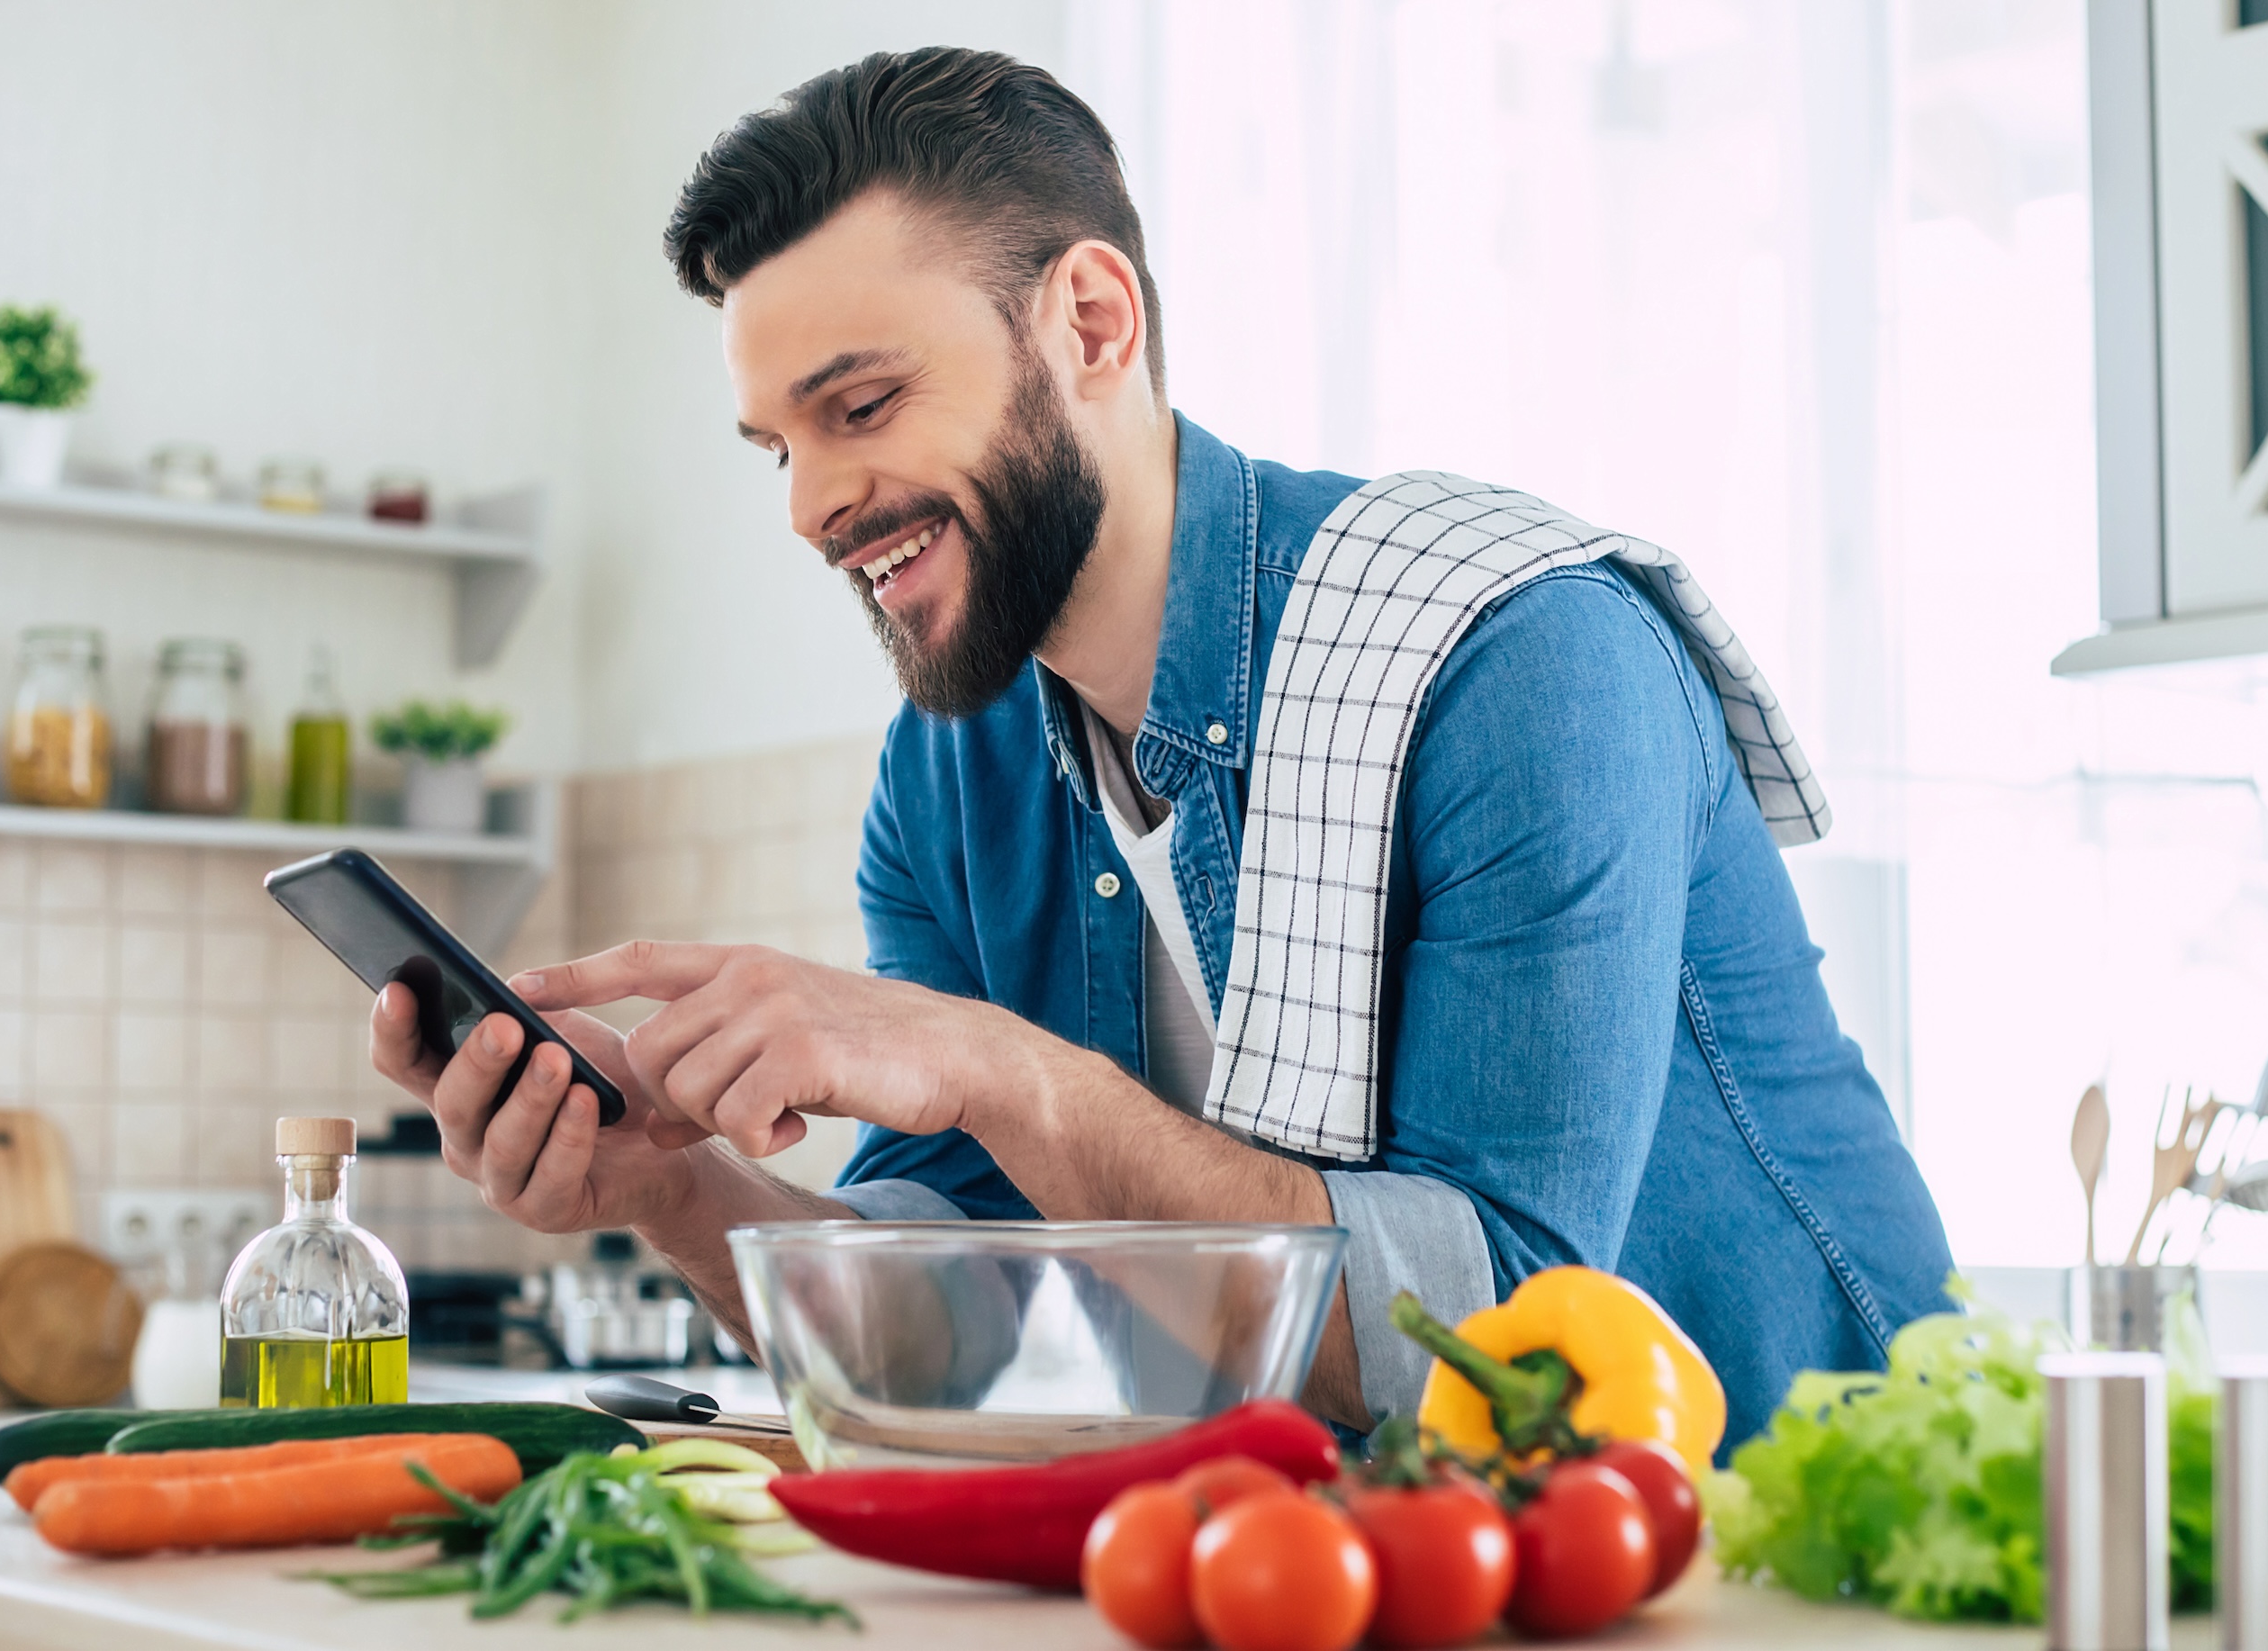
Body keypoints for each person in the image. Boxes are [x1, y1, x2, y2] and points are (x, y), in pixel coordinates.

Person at [369, 46, 1953, 1452]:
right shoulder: (950, 771)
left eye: (861, 405)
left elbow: (1504, 1332)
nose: (807, 504)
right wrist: (674, 1189)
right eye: (781, 445)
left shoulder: (1519, 655)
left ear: (1092, 320)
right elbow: (979, 1347)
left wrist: (1000, 1070)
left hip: (1803, 1548)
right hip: (1407, 1562)